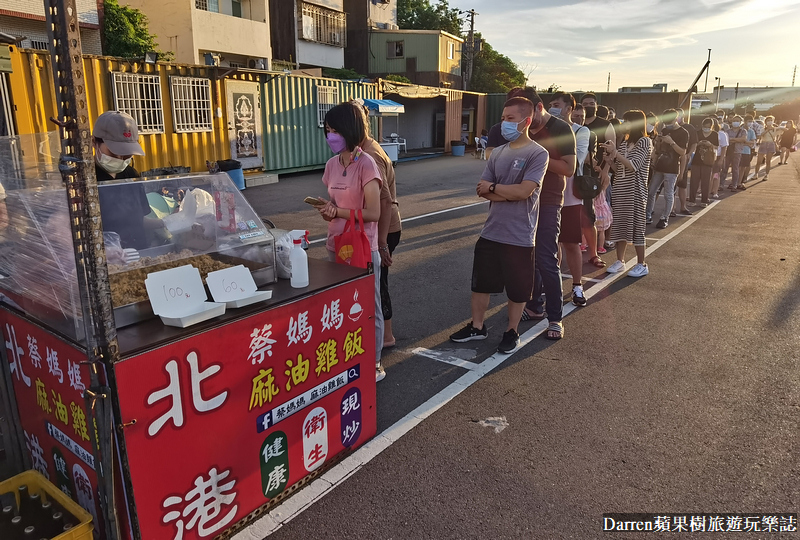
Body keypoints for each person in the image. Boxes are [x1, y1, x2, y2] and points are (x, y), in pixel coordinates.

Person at [450, 97, 548, 353]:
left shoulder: (538, 153)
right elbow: (482, 190)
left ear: (526, 122)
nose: (504, 123)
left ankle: (511, 330)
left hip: (520, 235)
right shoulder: (499, 153)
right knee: (480, 283)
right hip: (492, 231)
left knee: (517, 289)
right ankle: (477, 326)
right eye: (503, 118)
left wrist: (496, 189)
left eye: (510, 119)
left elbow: (525, 191)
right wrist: (505, 192)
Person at [488, 87, 576, 340]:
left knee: (546, 258)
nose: (515, 122)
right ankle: (534, 305)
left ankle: (555, 318)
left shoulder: (559, 129)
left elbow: (569, 168)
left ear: (537, 108)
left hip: (546, 200)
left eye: (521, 116)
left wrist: (535, 154)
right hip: (514, 200)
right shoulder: (511, 129)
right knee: (523, 257)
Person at [315, 102, 386, 382]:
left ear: (349, 129)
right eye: (327, 130)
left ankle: (375, 362)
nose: (330, 135)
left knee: (369, 306)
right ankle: (349, 356)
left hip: (362, 248)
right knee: (342, 307)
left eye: (335, 130)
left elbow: (373, 213)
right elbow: (334, 208)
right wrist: (327, 210)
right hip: (336, 244)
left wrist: (338, 212)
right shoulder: (332, 165)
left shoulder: (367, 164)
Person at [354, 102, 402, 351]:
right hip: (377, 228)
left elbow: (384, 202)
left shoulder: (370, 154)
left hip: (384, 228)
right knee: (376, 281)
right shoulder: (363, 149)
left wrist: (381, 243)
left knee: (378, 282)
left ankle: (386, 336)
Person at [549, 92, 601, 309]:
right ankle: (553, 286)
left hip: (570, 197)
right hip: (548, 195)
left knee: (570, 243)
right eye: (550, 105)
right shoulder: (544, 130)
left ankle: (577, 285)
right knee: (550, 244)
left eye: (556, 105)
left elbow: (575, 161)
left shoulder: (581, 131)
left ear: (569, 108)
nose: (551, 108)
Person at [93, 111, 161, 250]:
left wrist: (168, 222)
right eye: (113, 151)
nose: (120, 158)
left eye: (127, 153)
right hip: (106, 260)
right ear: (94, 143)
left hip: (138, 255)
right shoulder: (86, 178)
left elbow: (138, 219)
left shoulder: (131, 175)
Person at [605, 110, 652, 277]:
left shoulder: (645, 142)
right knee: (620, 225)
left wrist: (615, 153)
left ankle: (642, 264)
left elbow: (634, 165)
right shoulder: (624, 143)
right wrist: (610, 161)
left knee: (637, 226)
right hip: (621, 188)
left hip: (636, 191)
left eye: (626, 121)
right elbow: (620, 171)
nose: (623, 125)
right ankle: (620, 260)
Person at [645, 109, 687, 229]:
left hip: (672, 167)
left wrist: (671, 142)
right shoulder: (664, 130)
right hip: (660, 165)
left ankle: (665, 217)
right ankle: (648, 215)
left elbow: (683, 152)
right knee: (651, 191)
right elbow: (658, 150)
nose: (667, 124)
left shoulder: (683, 133)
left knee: (668, 194)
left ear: (676, 119)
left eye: (669, 121)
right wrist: (658, 142)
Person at [688, 117, 719, 207]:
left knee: (706, 181)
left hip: (708, 160)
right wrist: (699, 143)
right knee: (694, 181)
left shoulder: (714, 134)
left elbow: (716, 146)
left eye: (708, 127)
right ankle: (692, 200)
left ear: (712, 126)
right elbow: (693, 144)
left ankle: (704, 200)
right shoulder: (697, 133)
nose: (706, 128)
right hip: (696, 159)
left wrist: (710, 145)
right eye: (704, 126)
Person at [674, 108, 697, 217]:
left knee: (682, 184)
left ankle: (683, 206)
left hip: (683, 159)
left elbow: (694, 143)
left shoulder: (689, 128)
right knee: (671, 186)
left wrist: (689, 154)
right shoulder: (670, 127)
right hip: (671, 160)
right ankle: (671, 208)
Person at [723, 115, 746, 190]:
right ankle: (721, 184)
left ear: (740, 122)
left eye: (737, 121)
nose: (735, 122)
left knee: (735, 169)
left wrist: (732, 139)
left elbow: (743, 139)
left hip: (737, 151)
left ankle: (734, 185)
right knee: (724, 168)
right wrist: (737, 139)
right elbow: (726, 140)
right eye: (734, 120)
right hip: (728, 151)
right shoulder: (728, 131)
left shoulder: (743, 131)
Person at [736, 115, 757, 189]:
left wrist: (744, 142)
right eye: (749, 121)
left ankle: (739, 182)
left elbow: (752, 143)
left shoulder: (751, 131)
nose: (750, 123)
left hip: (747, 152)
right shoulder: (739, 130)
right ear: (744, 122)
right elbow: (737, 140)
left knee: (743, 168)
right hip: (738, 151)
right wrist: (746, 142)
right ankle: (735, 182)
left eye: (751, 121)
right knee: (737, 167)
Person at [754, 115, 778, 180]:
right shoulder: (763, 128)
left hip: (771, 144)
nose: (769, 122)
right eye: (768, 120)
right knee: (759, 161)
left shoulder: (775, 129)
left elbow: (784, 129)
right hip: (763, 144)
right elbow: (761, 135)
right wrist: (767, 130)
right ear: (765, 122)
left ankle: (766, 175)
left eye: (771, 120)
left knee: (768, 161)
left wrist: (776, 127)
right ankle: (756, 174)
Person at [711, 117, 728, 198]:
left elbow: (724, 147)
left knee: (716, 174)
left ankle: (715, 191)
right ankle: (705, 190)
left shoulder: (722, 134)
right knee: (707, 175)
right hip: (708, 157)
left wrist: (721, 159)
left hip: (717, 157)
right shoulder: (706, 133)